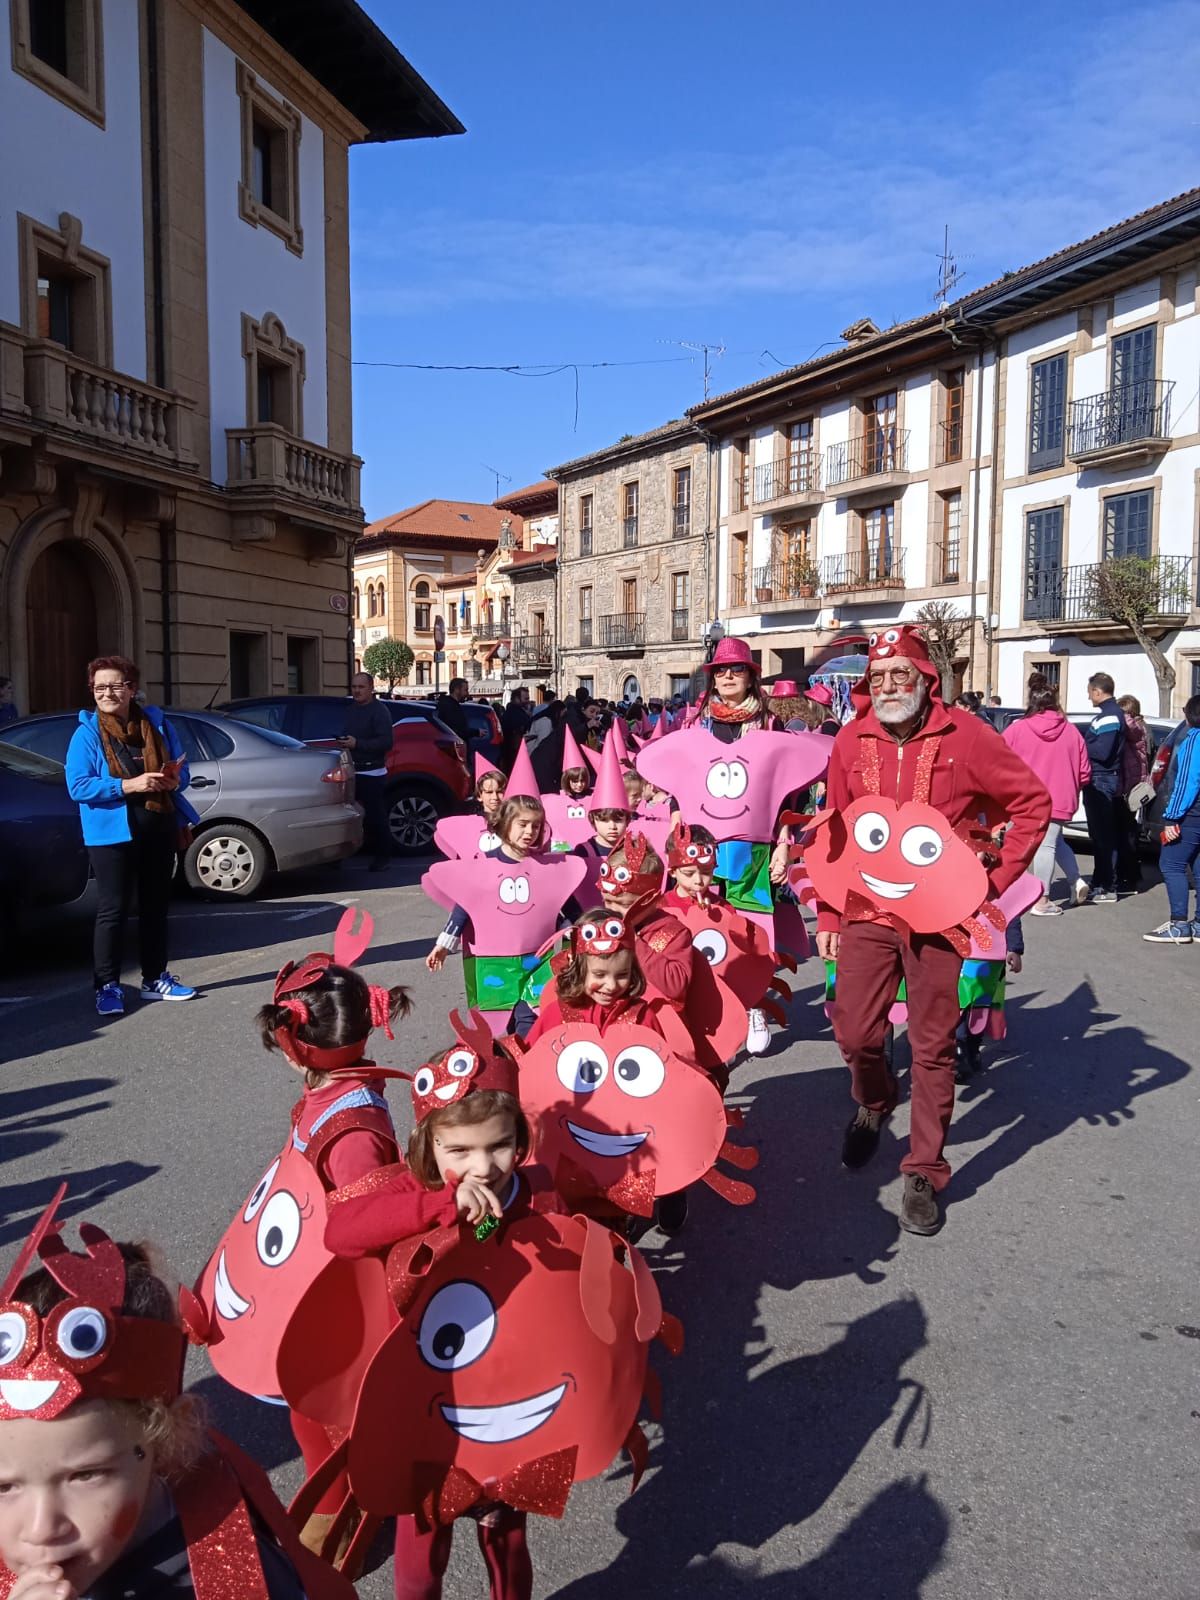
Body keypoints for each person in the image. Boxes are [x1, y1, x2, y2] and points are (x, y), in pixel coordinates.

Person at [815, 625, 1050, 1236]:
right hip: (867, 910)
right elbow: (834, 832)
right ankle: (872, 1103)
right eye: (879, 677)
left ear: (927, 680)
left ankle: (924, 1169)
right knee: (857, 1031)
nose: (890, 686)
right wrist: (829, 913)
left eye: (902, 675)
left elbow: (1032, 803)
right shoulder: (849, 741)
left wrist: (992, 880)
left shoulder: (966, 735)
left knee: (932, 1046)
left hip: (941, 920)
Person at [0, 1201, 352, 1599]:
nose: (39, 1528)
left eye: (85, 1475)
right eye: (4, 1486)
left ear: (165, 1439)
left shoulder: (234, 1581)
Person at [323, 1033, 556, 1600]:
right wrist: (437, 1205)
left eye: (499, 1146)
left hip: (507, 1401)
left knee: (507, 1536)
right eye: (460, 1153)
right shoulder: (416, 1191)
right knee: (421, 1543)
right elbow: (341, 1231)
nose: (484, 1167)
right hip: (426, 1405)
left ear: (520, 1140)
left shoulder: (540, 1193)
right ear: (429, 1147)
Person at [248, 910, 410, 1557]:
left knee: (328, 1421)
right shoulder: (334, 1092)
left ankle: (337, 1531)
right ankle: (339, 1509)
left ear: (297, 1048)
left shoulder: (352, 1132)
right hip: (313, 1282)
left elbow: (361, 1227)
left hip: (341, 1299)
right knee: (306, 1412)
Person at [65, 655, 199, 1017]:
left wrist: (174, 779)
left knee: (155, 907)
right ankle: (106, 985)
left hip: (158, 825)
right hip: (110, 833)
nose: (107, 693)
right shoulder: (87, 733)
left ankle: (155, 979)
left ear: (131, 689)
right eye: (99, 687)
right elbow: (77, 786)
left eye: (115, 685)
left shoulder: (155, 723)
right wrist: (128, 784)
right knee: (113, 910)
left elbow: (183, 772)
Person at [1002, 675, 1091, 913]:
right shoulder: (1072, 732)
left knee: (1033, 845)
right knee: (1053, 842)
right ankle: (1075, 880)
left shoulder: (1017, 729)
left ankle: (1040, 900)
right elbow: (1085, 772)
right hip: (1061, 798)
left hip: (1024, 797)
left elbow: (998, 761)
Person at [1143, 693, 1200, 944]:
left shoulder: (1193, 741)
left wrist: (1172, 817)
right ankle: (1198, 924)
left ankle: (1179, 924)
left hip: (1191, 813)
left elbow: (1188, 783)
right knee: (1198, 867)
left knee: (1171, 864)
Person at [1080, 672, 1133, 900]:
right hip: (1099, 778)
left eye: (1090, 692)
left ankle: (1107, 887)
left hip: (1101, 779)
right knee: (1099, 834)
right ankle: (1100, 881)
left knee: (1103, 835)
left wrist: (1080, 745)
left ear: (1097, 691)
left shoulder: (1110, 716)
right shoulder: (1107, 715)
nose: (1089, 696)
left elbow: (1103, 751)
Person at [339, 672, 395, 872]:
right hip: (351, 770)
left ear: (371, 688)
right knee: (347, 815)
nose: (356, 691)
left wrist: (358, 744)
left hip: (373, 772)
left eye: (361, 687)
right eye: (354, 687)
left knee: (375, 816)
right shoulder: (350, 710)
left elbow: (386, 742)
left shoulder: (380, 711)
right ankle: (339, 855)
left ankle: (383, 857)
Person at [1116, 693, 1151, 891]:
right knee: (1128, 832)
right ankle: (1131, 875)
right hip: (1133, 787)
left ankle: (1128, 877)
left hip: (1129, 788)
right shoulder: (1143, 728)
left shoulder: (1136, 729)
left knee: (1126, 834)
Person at [500, 686, 531, 771]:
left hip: (509, 752)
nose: (528, 701)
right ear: (517, 699)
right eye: (526, 698)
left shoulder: (510, 712)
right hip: (515, 752)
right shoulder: (516, 714)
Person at [435, 676, 471, 742]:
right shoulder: (449, 707)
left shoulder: (450, 704)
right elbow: (457, 730)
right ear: (457, 690)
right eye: (465, 690)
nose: (467, 694)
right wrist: (476, 732)